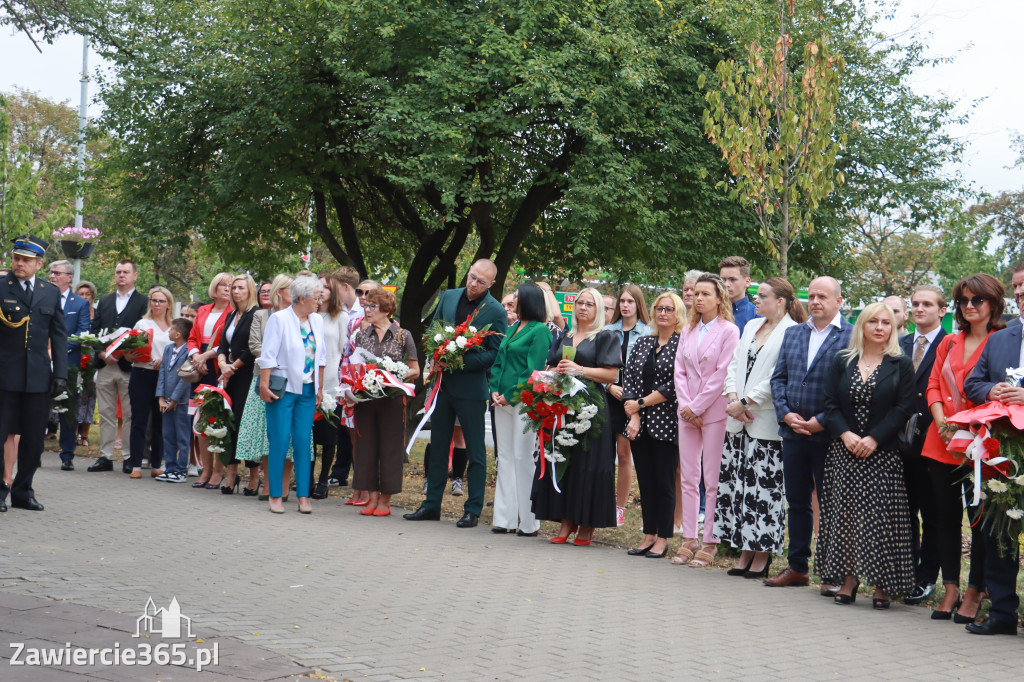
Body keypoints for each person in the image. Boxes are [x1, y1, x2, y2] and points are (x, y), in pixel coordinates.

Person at [818, 302, 916, 609]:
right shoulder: (842, 360)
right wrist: (845, 434)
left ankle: (882, 586)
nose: (879, 327)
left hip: (882, 453)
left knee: (881, 520)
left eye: (886, 323)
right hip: (844, 452)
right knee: (845, 517)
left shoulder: (901, 364)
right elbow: (830, 403)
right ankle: (848, 580)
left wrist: (874, 438)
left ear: (893, 328)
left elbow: (904, 408)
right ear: (861, 325)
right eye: (872, 321)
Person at [920, 275, 1001, 623]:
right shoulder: (950, 342)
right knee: (943, 519)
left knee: (979, 523)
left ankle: (974, 591)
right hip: (942, 441)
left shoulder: (1003, 342)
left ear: (993, 304)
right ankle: (950, 587)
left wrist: (966, 422)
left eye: (977, 300)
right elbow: (934, 384)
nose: (969, 306)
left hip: (982, 444)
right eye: (964, 301)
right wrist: (940, 420)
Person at [765, 276, 854, 590]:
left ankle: (831, 573)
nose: (816, 301)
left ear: (838, 301)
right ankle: (797, 567)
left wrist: (822, 420)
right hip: (792, 432)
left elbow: (850, 390)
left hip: (828, 435)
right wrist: (786, 414)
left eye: (823, 296)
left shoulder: (852, 336)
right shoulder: (793, 333)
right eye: (812, 296)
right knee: (797, 503)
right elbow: (779, 379)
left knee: (831, 505)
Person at [405, 259, 508, 527]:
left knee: (475, 450)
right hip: (442, 385)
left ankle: (472, 509)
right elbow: (432, 331)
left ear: (491, 284)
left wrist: (456, 362)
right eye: (471, 277)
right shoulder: (449, 296)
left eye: (480, 282)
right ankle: (431, 505)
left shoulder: (495, 311)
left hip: (472, 389)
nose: (473, 284)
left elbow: (494, 353)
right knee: (438, 445)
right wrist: (432, 358)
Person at [716, 278, 804, 578]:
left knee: (764, 492)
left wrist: (747, 401)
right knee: (739, 489)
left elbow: (779, 375)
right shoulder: (751, 326)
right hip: (737, 420)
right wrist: (732, 398)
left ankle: (762, 554)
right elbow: (734, 365)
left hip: (763, 421)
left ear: (780, 301)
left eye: (762, 296)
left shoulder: (793, 331)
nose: (756, 300)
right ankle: (743, 550)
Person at [532, 287, 620, 544]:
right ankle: (566, 522)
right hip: (562, 405)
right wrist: (548, 378)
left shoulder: (606, 337)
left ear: (598, 310)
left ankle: (587, 525)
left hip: (591, 407)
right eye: (579, 303)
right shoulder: (565, 335)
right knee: (565, 462)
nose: (583, 307)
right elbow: (551, 364)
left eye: (589, 304)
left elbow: (611, 375)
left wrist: (580, 369)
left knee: (587, 463)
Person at [962, 284, 1022, 636]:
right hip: (1003, 450)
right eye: (1018, 290)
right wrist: (990, 391)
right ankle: (1002, 613)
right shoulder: (1000, 339)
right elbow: (973, 383)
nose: (1020, 295)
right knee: (1001, 531)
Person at [672, 273, 740, 567]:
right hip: (687, 412)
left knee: (711, 479)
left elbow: (721, 374)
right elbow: (679, 371)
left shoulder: (729, 331)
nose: (698, 298)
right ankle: (689, 537)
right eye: (696, 293)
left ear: (719, 298)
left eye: (705, 294)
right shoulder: (688, 329)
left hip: (713, 413)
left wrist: (698, 407)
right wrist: (686, 406)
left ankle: (710, 541)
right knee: (688, 477)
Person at [0, 235, 67, 512]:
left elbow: (59, 335)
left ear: (39, 263)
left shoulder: (49, 292)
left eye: (26, 260)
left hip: (38, 376)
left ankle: (23, 491)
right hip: (4, 375)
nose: (19, 264)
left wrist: (60, 374)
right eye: (16, 258)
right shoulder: (1, 287)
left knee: (34, 439)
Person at [621, 292, 684, 558]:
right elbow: (629, 379)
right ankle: (648, 535)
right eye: (659, 308)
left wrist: (641, 404)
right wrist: (633, 414)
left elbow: (675, 385)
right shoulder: (643, 342)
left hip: (666, 423)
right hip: (639, 424)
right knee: (645, 483)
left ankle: (663, 538)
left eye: (669, 309)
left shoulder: (683, 344)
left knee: (664, 483)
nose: (663, 313)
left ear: (678, 313)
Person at [258, 275, 327, 514]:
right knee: (279, 440)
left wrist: (319, 388)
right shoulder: (279, 319)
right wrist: (264, 385)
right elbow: (267, 355)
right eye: (317, 297)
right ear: (302, 298)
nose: (320, 301)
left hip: (308, 390)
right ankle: (276, 494)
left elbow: (321, 357)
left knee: (302, 442)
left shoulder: (317, 320)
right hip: (283, 389)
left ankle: (303, 496)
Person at [349, 288, 419, 516]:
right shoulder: (361, 335)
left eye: (372, 306)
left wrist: (393, 375)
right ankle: (371, 498)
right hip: (366, 400)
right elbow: (354, 366)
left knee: (389, 448)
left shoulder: (403, 335)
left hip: (392, 400)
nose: (367, 310)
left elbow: (415, 370)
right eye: (366, 306)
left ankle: (385, 501)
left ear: (386, 310)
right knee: (365, 447)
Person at [899, 285, 948, 604]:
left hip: (934, 441)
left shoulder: (951, 344)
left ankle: (927, 576)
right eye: (915, 304)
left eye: (927, 304)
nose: (919, 309)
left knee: (932, 513)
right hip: (899, 443)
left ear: (943, 310)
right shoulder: (900, 344)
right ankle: (904, 573)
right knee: (904, 512)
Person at [489, 283, 551, 535]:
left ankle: (529, 522)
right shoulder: (513, 328)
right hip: (499, 400)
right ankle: (504, 519)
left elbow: (534, 371)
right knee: (503, 457)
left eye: (517, 299)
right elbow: (498, 363)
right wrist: (493, 390)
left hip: (523, 401)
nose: (512, 303)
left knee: (522, 458)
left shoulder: (540, 331)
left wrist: (510, 396)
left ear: (529, 301)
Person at [87, 260, 148, 473]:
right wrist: (102, 353)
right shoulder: (104, 300)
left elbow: (144, 334)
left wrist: (126, 354)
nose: (121, 275)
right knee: (105, 412)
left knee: (130, 413)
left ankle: (129, 457)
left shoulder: (143, 302)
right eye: (118, 272)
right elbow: (94, 331)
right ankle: (105, 456)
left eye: (125, 272)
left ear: (135, 275)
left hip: (129, 366)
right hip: (105, 365)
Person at [236, 274, 294, 496]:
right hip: (264, 379)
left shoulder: (302, 317)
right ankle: (269, 485)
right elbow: (254, 345)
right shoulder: (261, 315)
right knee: (267, 437)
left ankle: (285, 486)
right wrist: (279, 358)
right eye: (291, 288)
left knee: (288, 436)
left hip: (293, 381)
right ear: (279, 291)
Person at [605, 284, 651, 527]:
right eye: (622, 301)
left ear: (638, 304)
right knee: (604, 455)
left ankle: (619, 508)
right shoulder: (608, 331)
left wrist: (635, 401)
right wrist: (609, 386)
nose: (625, 305)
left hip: (632, 401)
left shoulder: (647, 332)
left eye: (630, 301)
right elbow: (598, 366)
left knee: (624, 454)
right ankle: (601, 503)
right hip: (607, 396)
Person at [186, 272, 232, 489]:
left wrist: (206, 356)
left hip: (217, 365)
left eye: (231, 285)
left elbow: (228, 342)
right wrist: (196, 356)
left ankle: (218, 471)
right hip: (199, 367)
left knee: (218, 420)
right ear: (215, 286)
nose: (227, 288)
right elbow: (192, 337)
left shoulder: (234, 312)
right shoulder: (203, 309)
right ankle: (205, 469)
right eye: (223, 284)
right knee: (200, 419)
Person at [215, 274, 260, 494]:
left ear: (250, 290)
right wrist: (223, 363)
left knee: (246, 424)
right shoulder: (231, 315)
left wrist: (233, 367)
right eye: (233, 288)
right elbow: (222, 345)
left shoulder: (256, 314)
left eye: (240, 288)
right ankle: (231, 474)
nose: (235, 292)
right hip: (229, 375)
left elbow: (253, 348)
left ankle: (253, 475)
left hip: (246, 375)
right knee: (228, 423)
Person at [126, 286, 174, 478]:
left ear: (168, 304)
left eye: (161, 301)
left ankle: (157, 464)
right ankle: (136, 465)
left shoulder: (175, 326)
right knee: (139, 420)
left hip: (165, 378)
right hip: (142, 374)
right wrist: (132, 355)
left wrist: (166, 360)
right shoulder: (142, 324)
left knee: (160, 421)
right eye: (154, 300)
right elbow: (129, 353)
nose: (157, 304)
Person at [48, 260, 91, 471]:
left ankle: (67, 454)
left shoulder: (79, 304)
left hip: (68, 363)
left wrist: (57, 349)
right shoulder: (41, 296)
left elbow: (82, 333)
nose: (52, 276)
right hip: (40, 360)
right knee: (37, 407)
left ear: (69, 277)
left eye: (57, 273)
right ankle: (33, 452)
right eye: (50, 272)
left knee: (67, 408)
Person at [311, 273, 349, 499]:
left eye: (326, 287)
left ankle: (324, 479)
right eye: (319, 287)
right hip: (309, 382)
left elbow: (346, 352)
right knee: (308, 437)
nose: (322, 291)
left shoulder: (341, 317)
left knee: (328, 437)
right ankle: (307, 479)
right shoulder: (308, 316)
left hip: (332, 386)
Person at [326, 266, 363, 490]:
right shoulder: (336, 311)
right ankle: (340, 473)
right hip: (337, 379)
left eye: (335, 287)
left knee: (356, 432)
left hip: (355, 380)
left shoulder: (363, 312)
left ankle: (362, 479)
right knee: (340, 430)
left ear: (346, 286)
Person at [155, 318, 194, 482]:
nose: (168, 332)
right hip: (167, 401)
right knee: (168, 435)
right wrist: (161, 397)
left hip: (181, 401)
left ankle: (180, 470)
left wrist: (175, 399)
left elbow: (185, 378)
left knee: (182, 436)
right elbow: (162, 373)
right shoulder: (168, 349)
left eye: (171, 330)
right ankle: (169, 467)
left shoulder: (189, 352)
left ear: (178, 334)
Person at [74, 280, 98, 447]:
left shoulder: (97, 314)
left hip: (94, 358)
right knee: (76, 396)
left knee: (90, 396)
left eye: (87, 294)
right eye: (81, 294)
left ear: (92, 296)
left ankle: (85, 435)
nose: (84, 297)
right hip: (77, 356)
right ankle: (74, 433)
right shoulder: (74, 312)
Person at [719, 256, 758, 333]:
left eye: (732, 279)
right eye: (723, 280)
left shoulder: (756, 315)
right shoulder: (711, 311)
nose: (726, 284)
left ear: (747, 282)